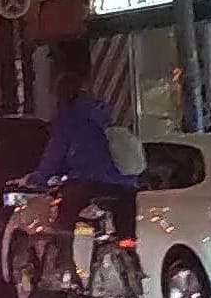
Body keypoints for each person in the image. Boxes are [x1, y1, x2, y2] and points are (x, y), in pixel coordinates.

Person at [26, 71, 139, 265]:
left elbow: (55, 155)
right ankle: (130, 263)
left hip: (88, 183)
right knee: (125, 234)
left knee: (63, 225)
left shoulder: (69, 118)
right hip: (126, 184)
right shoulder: (106, 114)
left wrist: (38, 178)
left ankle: (65, 271)